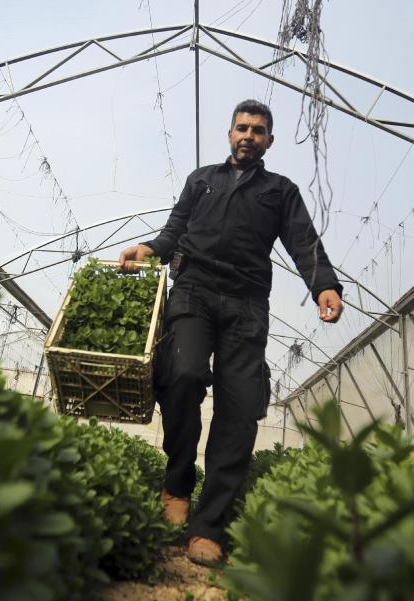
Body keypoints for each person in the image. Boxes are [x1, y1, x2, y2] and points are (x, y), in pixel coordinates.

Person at [118, 99, 343, 566]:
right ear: (229, 134)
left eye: (258, 130)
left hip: (246, 305)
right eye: (242, 127)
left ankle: (209, 527)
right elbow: (173, 232)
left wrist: (324, 286)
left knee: (239, 409)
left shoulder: (280, 191)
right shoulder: (201, 180)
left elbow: (304, 241)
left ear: (269, 141)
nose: (248, 135)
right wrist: (147, 248)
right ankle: (177, 483)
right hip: (194, 291)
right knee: (181, 376)